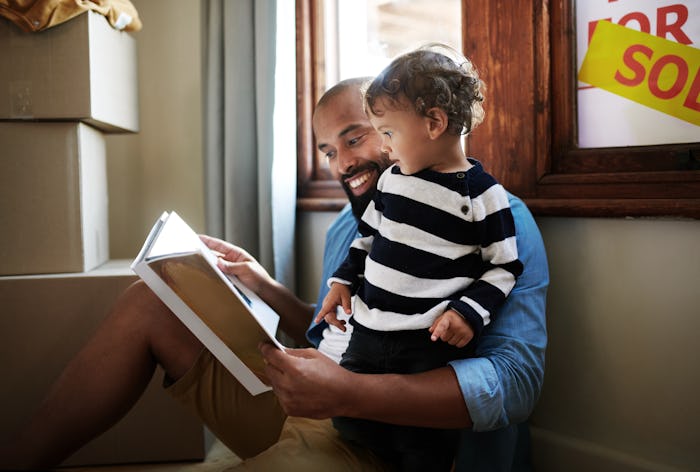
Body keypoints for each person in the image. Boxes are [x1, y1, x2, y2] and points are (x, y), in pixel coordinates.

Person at [0, 75, 548, 471]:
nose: (342, 166)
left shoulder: (493, 218)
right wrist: (259, 282)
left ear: (401, 128)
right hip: (317, 404)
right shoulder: (348, 226)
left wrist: (349, 395)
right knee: (150, 299)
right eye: (328, 151)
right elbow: (342, 332)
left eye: (355, 138)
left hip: (399, 442)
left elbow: (515, 386)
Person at [316, 46, 523, 470]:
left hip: (423, 344)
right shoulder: (391, 184)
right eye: (329, 152)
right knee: (351, 424)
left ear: (434, 123)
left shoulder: (487, 199)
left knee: (420, 447)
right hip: (368, 334)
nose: (387, 150)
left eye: (380, 134)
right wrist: (341, 282)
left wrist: (468, 313)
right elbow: (368, 239)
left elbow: (504, 267)